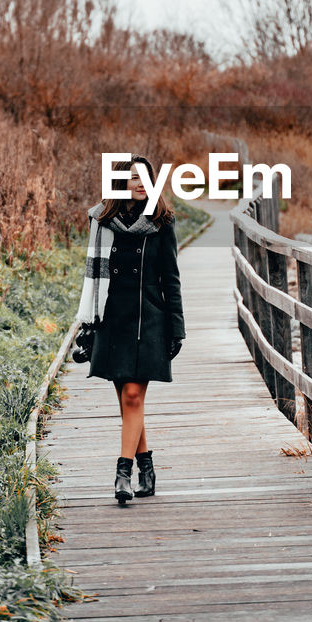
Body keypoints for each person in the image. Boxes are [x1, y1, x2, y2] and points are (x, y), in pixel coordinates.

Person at [72, 155, 186, 505]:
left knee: (133, 396)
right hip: (111, 319)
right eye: (132, 178)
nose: (140, 183)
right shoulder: (102, 222)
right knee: (127, 400)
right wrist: (88, 324)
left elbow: (172, 279)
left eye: (145, 178)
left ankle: (124, 473)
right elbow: (92, 277)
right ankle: (147, 469)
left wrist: (176, 329)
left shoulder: (161, 223)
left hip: (150, 319)